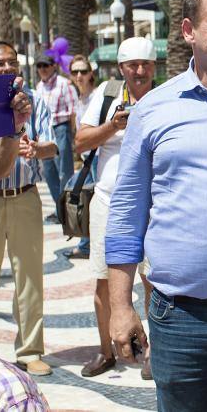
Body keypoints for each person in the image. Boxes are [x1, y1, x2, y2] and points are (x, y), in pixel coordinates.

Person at [104, 0, 207, 411]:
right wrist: (120, 307)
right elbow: (126, 214)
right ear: (189, 30)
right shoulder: (153, 110)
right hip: (181, 320)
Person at [74, 38, 157, 379]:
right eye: (132, 64)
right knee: (104, 282)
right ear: (121, 68)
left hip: (154, 205)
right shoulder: (106, 97)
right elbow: (80, 142)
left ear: (155, 66)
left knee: (154, 279)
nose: (139, 70)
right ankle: (106, 350)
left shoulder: (163, 98)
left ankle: (155, 353)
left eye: (146, 64)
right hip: (108, 201)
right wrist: (113, 126)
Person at [0, 41, 58, 376]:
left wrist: (38, 147)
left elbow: (53, 146)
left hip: (25, 195)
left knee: (29, 279)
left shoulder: (36, 100)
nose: (6, 68)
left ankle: (30, 350)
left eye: (11, 62)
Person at [33, 53, 76, 224]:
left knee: (64, 171)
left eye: (45, 66)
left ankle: (68, 212)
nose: (42, 69)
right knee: (49, 172)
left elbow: (73, 111)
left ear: (53, 66)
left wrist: (72, 136)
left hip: (61, 129)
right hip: (44, 132)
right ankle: (60, 210)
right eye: (39, 66)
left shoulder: (64, 84)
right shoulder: (38, 87)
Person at [67, 55, 97, 259]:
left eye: (83, 71)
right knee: (81, 195)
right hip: (87, 158)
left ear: (90, 74)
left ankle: (86, 243)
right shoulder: (79, 99)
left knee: (84, 197)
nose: (79, 76)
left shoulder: (96, 97)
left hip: (97, 157)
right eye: (75, 72)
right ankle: (86, 241)